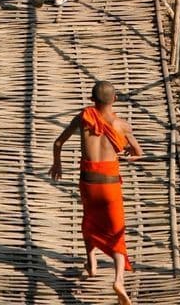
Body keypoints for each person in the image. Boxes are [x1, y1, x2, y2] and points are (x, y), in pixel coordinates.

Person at [49, 80, 143, 305]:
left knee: (90, 220)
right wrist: (127, 154)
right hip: (110, 184)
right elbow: (138, 153)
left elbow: (58, 142)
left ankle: (91, 262)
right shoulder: (122, 125)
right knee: (116, 232)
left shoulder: (84, 118)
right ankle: (118, 280)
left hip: (88, 181)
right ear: (115, 100)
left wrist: (57, 164)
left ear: (92, 100)